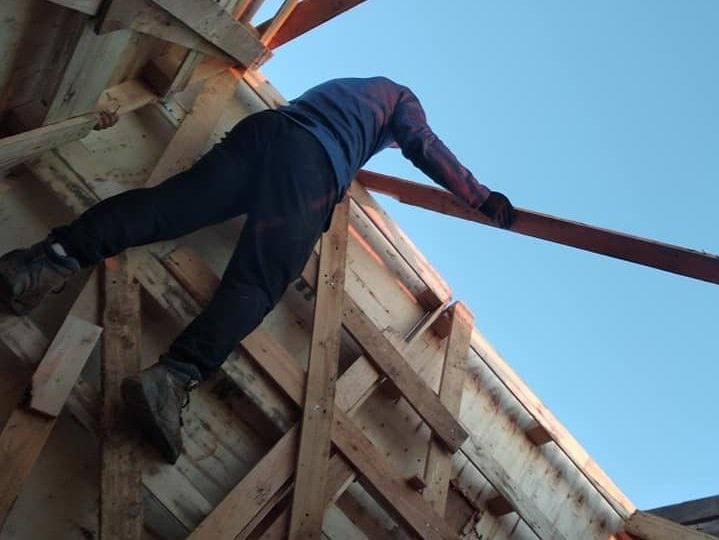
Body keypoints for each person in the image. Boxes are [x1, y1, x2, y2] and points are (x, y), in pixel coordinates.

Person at [0, 77, 515, 463]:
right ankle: (174, 376)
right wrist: (479, 197)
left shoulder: (341, 91)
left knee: (165, 208)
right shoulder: (399, 98)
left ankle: (43, 264)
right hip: (309, 165)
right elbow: (423, 144)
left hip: (266, 131)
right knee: (258, 281)